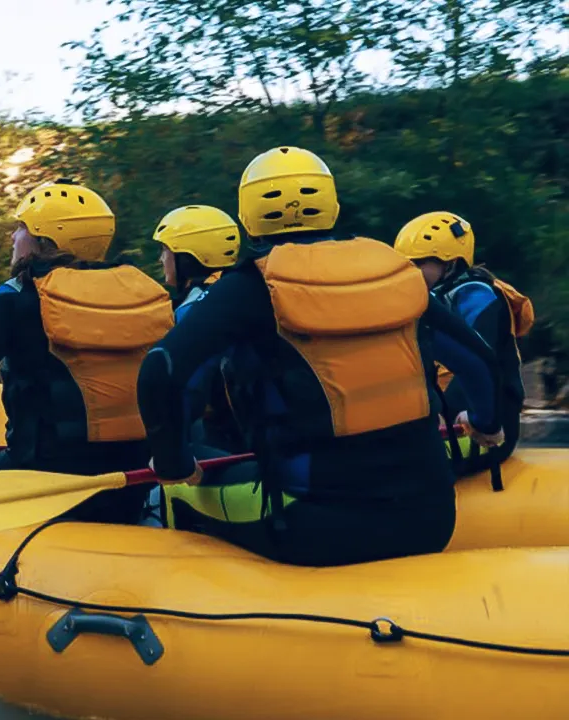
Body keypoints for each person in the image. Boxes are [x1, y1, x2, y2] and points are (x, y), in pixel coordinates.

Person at [135, 147, 507, 566]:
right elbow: (478, 360)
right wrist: (485, 424)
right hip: (432, 518)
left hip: (317, 528)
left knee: (174, 488)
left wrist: (172, 462)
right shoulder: (394, 271)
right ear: (332, 205)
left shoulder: (250, 287)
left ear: (247, 216)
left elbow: (161, 371)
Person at [0, 179, 172, 523]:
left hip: (44, 481)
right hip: (130, 480)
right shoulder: (141, 294)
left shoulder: (13, 298)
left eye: (21, 228)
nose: (13, 237)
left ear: (45, 240)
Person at [394, 212, 533, 474]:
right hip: (445, 419)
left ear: (450, 264)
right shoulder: (426, 299)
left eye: (419, 263)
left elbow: (478, 363)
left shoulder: (478, 297)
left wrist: (470, 416)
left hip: (487, 426)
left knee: (405, 468)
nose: (410, 272)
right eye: (406, 265)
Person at [152, 205, 248, 453]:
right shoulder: (243, 290)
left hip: (228, 441)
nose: (161, 259)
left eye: (165, 251)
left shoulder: (193, 307)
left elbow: (188, 391)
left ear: (187, 258)